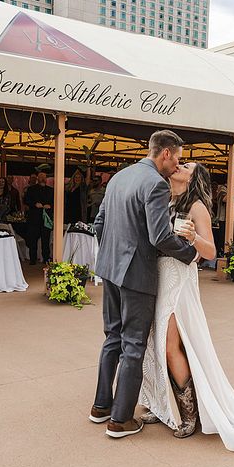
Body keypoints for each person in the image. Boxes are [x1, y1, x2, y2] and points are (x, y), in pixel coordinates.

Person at [136, 161, 234, 450]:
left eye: (187, 165)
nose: (180, 165)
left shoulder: (197, 207)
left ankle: (189, 414)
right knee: (155, 343)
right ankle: (161, 403)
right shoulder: (164, 200)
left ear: (194, 178)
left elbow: (211, 251)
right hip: (156, 276)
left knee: (170, 346)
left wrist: (194, 237)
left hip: (178, 281)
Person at [89, 130, 199, 439]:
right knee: (133, 344)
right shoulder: (155, 184)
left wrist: (114, 250)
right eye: (176, 158)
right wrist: (190, 254)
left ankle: (101, 407)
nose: (177, 165)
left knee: (112, 337)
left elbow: (99, 223)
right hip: (136, 274)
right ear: (165, 153)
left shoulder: (118, 178)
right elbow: (160, 237)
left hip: (109, 269)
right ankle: (120, 420)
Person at [23, 171, 54, 265]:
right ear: (37, 178)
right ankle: (33, 259)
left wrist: (50, 206)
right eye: (41, 177)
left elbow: (55, 202)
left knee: (46, 240)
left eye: (44, 177)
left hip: (46, 219)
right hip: (34, 218)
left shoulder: (51, 190)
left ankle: (46, 258)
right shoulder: (31, 189)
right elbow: (26, 200)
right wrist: (35, 204)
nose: (43, 179)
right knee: (33, 240)